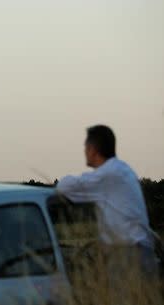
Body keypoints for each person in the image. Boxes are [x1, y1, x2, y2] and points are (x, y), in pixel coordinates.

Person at [56, 124, 161, 304]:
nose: (84, 152)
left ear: (93, 149)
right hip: (141, 252)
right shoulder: (123, 170)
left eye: (86, 147)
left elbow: (64, 187)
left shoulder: (108, 175)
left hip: (127, 255)